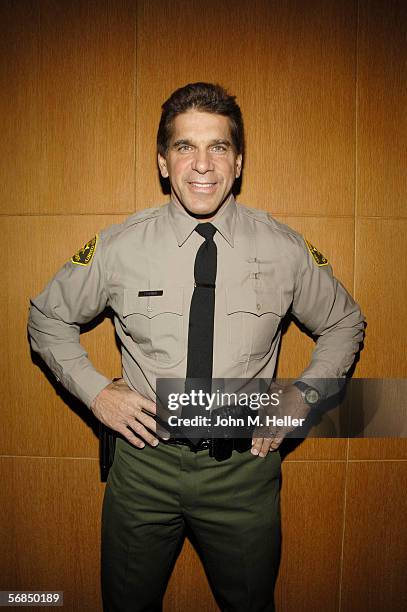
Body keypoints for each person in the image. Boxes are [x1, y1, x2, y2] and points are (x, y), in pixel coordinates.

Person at [28, 82, 365, 612]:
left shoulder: (284, 249)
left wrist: (303, 396)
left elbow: (345, 321)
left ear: (238, 162)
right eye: (185, 146)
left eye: (218, 147)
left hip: (242, 472)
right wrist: (97, 393)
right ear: (164, 162)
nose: (202, 165)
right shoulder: (120, 247)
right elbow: (47, 316)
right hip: (144, 467)